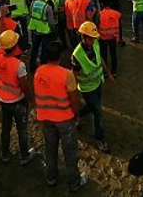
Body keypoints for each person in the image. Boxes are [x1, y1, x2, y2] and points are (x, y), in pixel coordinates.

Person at [34, 40, 87, 191]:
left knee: (50, 149)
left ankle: (51, 177)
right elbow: (74, 100)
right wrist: (77, 116)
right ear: (60, 56)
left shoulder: (39, 71)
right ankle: (74, 182)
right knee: (69, 153)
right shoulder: (66, 74)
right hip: (64, 120)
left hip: (46, 119)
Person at [0, 30, 37, 165]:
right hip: (18, 101)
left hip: (3, 100)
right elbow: (25, 87)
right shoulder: (18, 66)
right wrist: (32, 101)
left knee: (6, 127)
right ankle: (24, 156)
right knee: (22, 129)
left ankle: (4, 153)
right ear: (15, 46)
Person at [72, 21, 115, 152]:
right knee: (98, 113)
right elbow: (74, 76)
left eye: (94, 38)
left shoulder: (95, 43)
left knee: (93, 107)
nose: (93, 40)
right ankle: (100, 139)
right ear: (83, 37)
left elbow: (100, 58)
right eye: (91, 38)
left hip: (98, 83)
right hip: (87, 89)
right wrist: (74, 94)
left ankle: (77, 115)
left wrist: (108, 73)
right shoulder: (77, 55)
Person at [28, 0, 55, 74]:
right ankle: (43, 68)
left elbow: (30, 14)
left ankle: (32, 67)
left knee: (34, 49)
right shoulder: (47, 7)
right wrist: (53, 29)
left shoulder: (33, 3)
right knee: (44, 50)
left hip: (34, 29)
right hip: (44, 31)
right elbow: (51, 22)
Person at [98, 1, 122, 76]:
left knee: (103, 55)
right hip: (113, 37)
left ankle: (105, 71)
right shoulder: (116, 14)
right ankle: (114, 71)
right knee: (113, 54)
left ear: (102, 4)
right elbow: (119, 23)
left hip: (102, 37)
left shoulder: (100, 14)